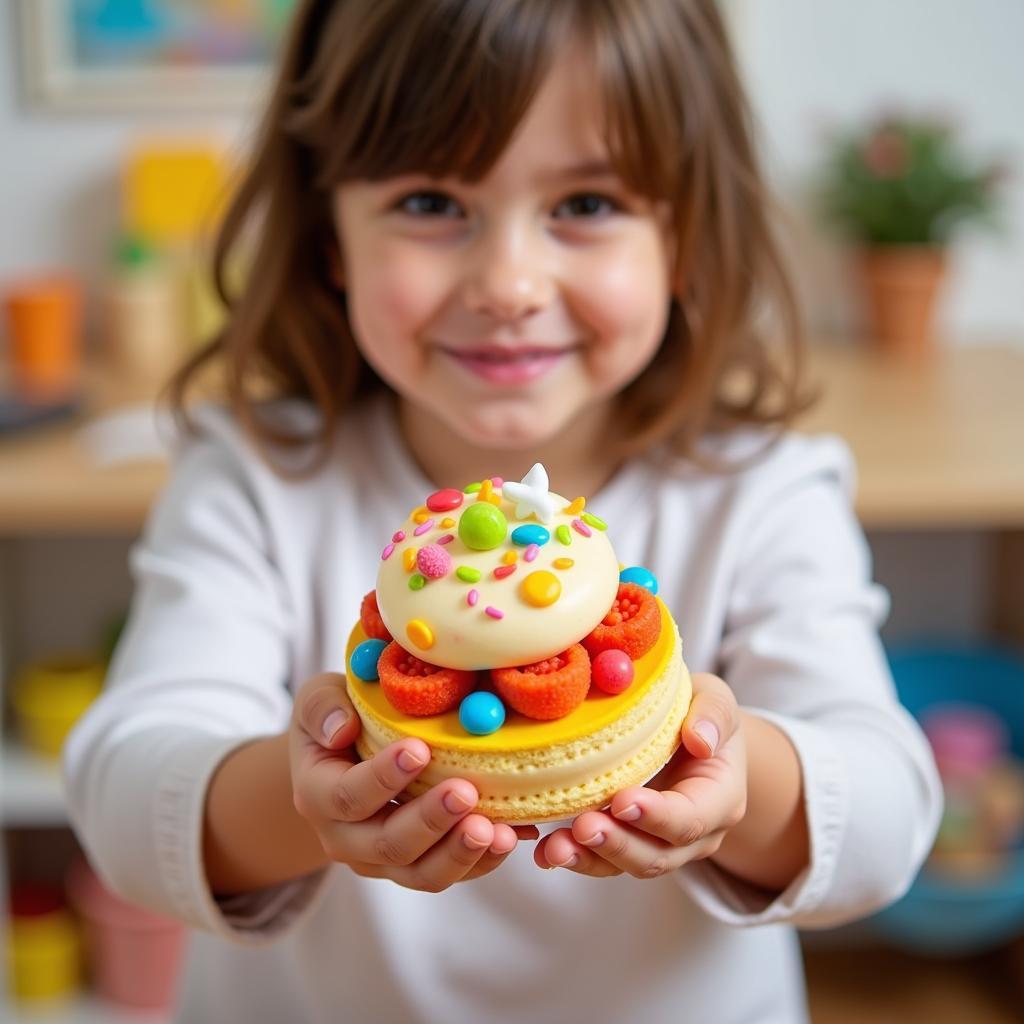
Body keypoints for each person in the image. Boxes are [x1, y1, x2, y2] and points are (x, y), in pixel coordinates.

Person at [64, 1, 942, 1021]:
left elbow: (886, 814)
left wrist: (737, 779)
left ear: (685, 238)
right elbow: (125, 796)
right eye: (433, 202)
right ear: (329, 236)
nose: (509, 283)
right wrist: (313, 797)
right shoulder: (254, 476)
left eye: (587, 203)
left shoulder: (759, 489)